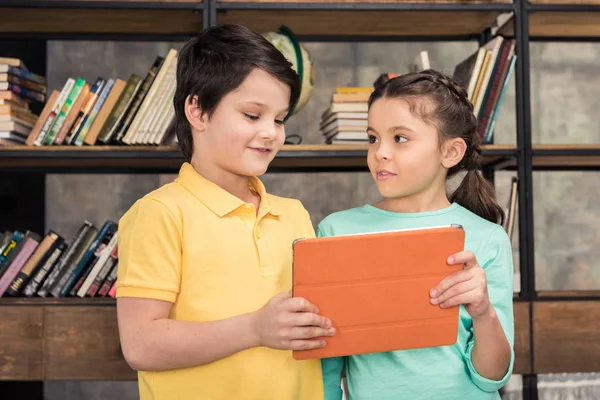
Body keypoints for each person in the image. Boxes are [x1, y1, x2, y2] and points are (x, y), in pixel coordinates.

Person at [115, 24, 333, 400]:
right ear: (197, 111)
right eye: (252, 115)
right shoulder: (160, 213)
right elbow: (140, 344)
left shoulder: (294, 214)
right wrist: (255, 330)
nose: (271, 133)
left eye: (279, 119)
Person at [319, 70, 514, 399]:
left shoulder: (488, 238)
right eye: (372, 138)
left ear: (450, 152)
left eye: (399, 138)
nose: (380, 152)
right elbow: (326, 367)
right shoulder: (337, 232)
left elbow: (491, 378)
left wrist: (483, 312)